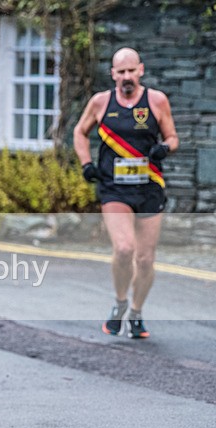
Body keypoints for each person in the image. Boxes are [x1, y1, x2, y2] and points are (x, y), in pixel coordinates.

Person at [73, 47, 179, 338]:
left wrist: (164, 148)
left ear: (141, 70)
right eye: (121, 72)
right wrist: (86, 164)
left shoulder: (156, 101)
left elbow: (172, 137)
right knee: (123, 249)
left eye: (131, 70)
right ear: (113, 74)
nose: (126, 77)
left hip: (149, 188)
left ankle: (136, 311)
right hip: (114, 188)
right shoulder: (100, 102)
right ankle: (120, 303)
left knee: (145, 259)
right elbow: (79, 132)